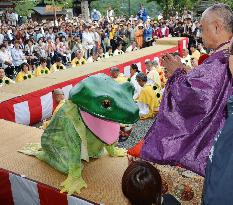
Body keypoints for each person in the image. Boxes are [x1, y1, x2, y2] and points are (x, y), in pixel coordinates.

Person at [139, 3, 233, 176]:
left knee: (161, 147)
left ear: (217, 27)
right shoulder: (227, 55)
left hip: (206, 143)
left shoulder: (220, 60)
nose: (200, 34)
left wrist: (177, 73)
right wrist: (186, 71)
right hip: (224, 136)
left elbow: (195, 98)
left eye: (203, 28)